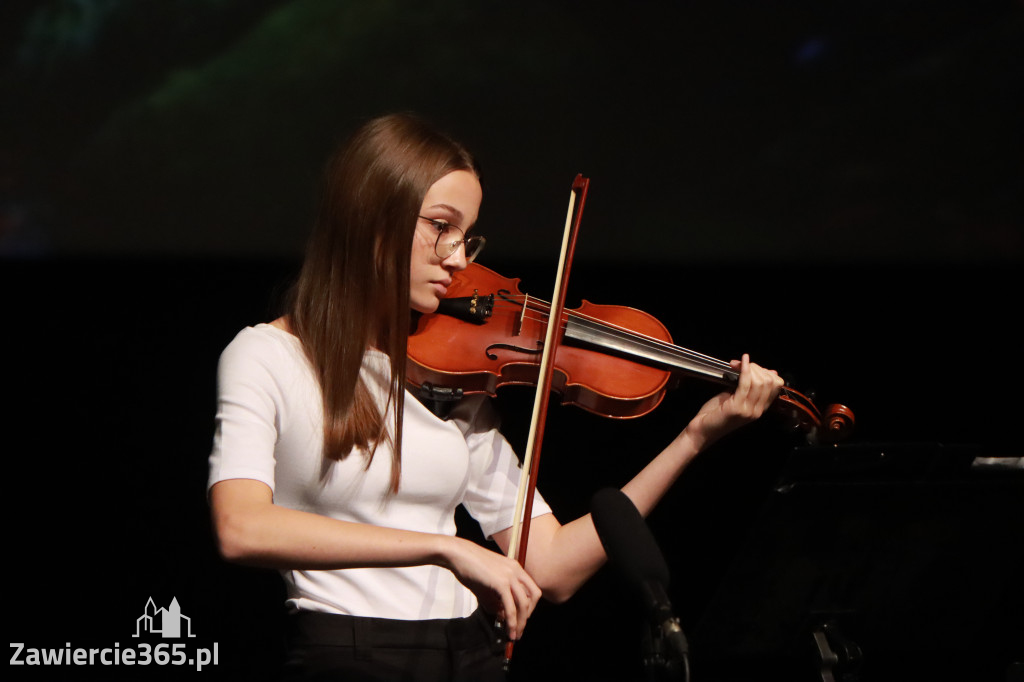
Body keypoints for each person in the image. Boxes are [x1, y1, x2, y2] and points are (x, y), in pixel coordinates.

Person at [207, 112, 784, 681]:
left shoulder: (452, 379)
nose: (458, 259)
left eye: (467, 236)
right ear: (372, 219)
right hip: (351, 650)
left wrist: (694, 439)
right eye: (440, 226)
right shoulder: (268, 356)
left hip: (472, 654)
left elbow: (551, 565)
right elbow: (243, 529)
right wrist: (444, 549)